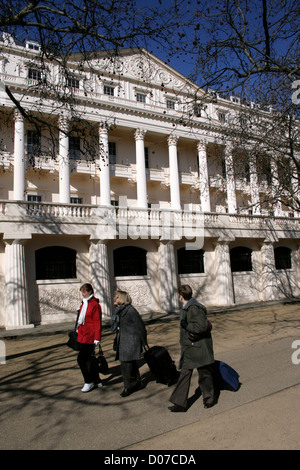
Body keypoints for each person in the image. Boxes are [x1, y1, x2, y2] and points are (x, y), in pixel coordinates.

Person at [168, 284, 215, 412]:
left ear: (181, 296)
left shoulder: (194, 308)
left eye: (178, 295)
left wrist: (186, 325)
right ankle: (179, 403)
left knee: (204, 373)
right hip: (190, 348)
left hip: (199, 347)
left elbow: (201, 327)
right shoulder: (187, 307)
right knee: (185, 374)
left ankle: (209, 398)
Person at [111, 290, 147, 397]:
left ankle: (128, 386)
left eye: (116, 297)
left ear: (121, 299)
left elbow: (140, 326)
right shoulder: (119, 310)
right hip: (123, 340)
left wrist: (143, 341)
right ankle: (137, 382)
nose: (114, 298)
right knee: (131, 363)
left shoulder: (130, 310)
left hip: (131, 341)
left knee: (125, 365)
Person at [77, 283, 102, 392]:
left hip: (90, 336)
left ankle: (89, 381)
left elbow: (97, 322)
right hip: (83, 335)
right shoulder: (84, 304)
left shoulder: (94, 305)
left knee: (81, 359)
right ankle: (96, 380)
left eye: (85, 292)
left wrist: (97, 337)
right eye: (82, 292)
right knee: (90, 358)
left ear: (90, 291)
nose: (83, 294)